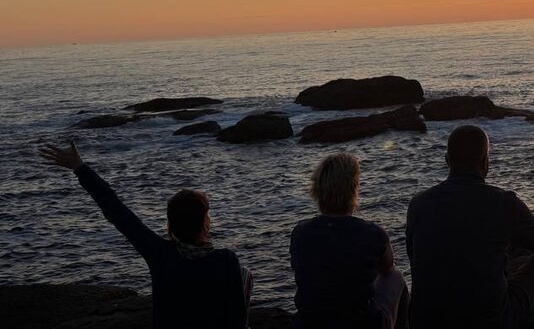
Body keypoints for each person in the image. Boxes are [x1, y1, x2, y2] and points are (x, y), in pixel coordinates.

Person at [38, 141, 252, 328]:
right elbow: (237, 320)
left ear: (171, 223)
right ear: (205, 221)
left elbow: (117, 212)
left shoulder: (161, 255)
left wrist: (79, 167)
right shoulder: (226, 260)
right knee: (246, 277)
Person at [406, 125, 534, 329]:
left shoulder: (418, 204)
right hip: (492, 321)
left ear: (447, 161)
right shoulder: (504, 203)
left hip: (425, 321)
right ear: (486, 162)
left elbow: (414, 256)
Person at [291, 153, 408, 328]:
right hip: (360, 324)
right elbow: (386, 267)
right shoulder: (373, 234)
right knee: (394, 276)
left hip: (309, 324)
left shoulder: (300, 233)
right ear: (354, 189)